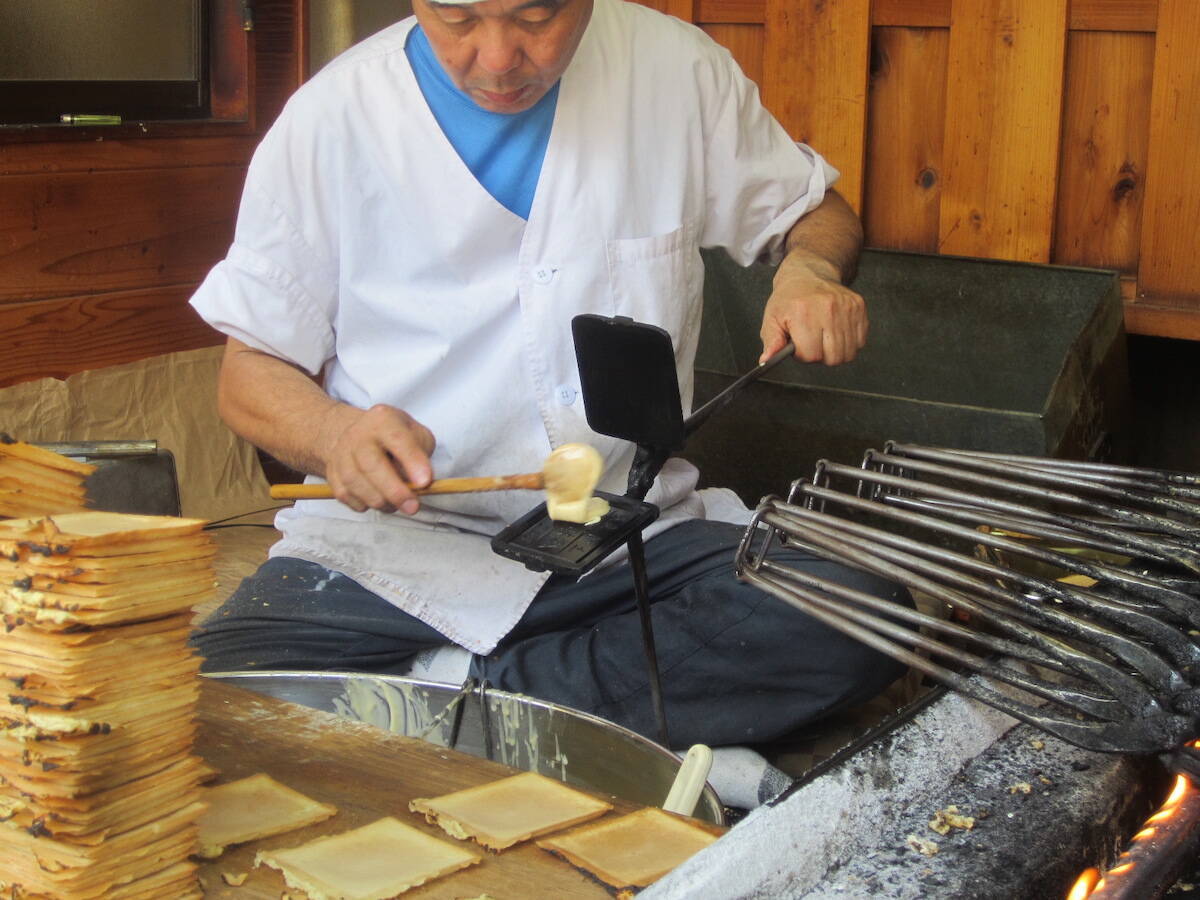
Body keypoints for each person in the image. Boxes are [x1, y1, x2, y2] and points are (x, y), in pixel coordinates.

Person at [190, 0, 911, 809]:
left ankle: (452, 699)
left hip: (622, 539)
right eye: (456, 18)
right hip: (397, 552)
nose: (497, 58)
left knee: (860, 611)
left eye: (536, 16)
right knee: (200, 691)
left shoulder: (676, 72)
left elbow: (814, 213)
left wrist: (809, 270)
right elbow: (247, 371)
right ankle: (568, 711)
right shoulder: (332, 119)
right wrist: (333, 434)